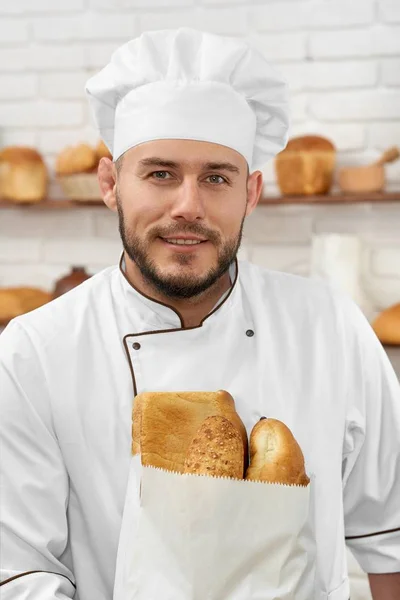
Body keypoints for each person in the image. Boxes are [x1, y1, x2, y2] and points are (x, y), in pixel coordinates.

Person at [0, 27, 399, 600]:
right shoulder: (34, 351)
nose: (189, 206)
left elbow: (392, 540)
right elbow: (20, 572)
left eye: (216, 177)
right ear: (111, 184)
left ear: (252, 193)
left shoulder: (327, 327)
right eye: (160, 174)